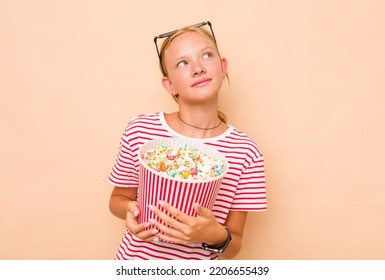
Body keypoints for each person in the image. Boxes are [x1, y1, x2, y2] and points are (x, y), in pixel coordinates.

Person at [108, 21, 267, 260]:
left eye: (206, 55)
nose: (198, 68)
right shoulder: (141, 131)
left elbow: (235, 244)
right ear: (169, 84)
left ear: (223, 67)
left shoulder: (246, 152)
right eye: (183, 63)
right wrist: (129, 210)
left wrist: (215, 234)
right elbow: (117, 199)